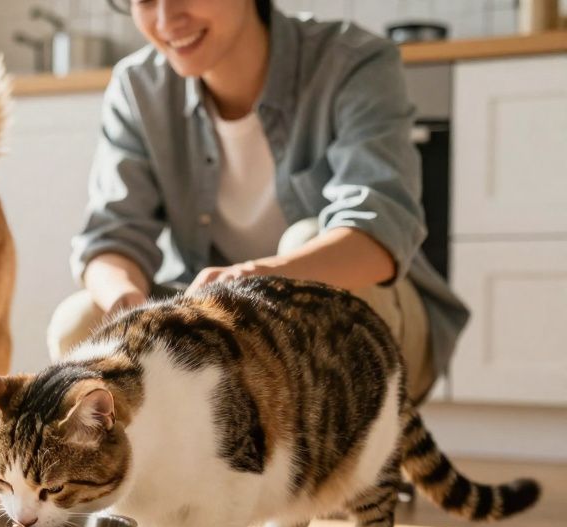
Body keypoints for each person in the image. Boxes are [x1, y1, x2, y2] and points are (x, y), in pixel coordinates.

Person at [50, 0, 468, 402]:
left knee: (309, 238)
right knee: (82, 325)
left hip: (379, 331)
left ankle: (344, 468)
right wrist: (131, 308)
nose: (166, 19)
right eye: (143, 0)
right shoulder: (138, 86)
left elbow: (376, 234)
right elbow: (110, 239)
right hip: (224, 333)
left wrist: (251, 280)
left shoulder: (353, 61)